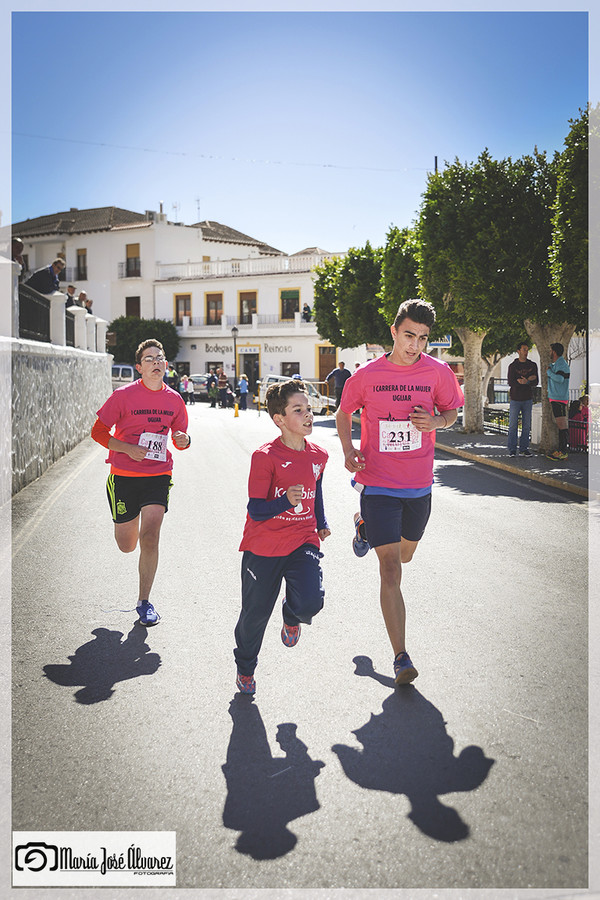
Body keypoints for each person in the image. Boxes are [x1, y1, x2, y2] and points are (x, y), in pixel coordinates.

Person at [336, 299, 464, 687]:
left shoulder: (438, 372)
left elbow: (452, 412)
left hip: (418, 486)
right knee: (390, 568)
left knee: (406, 555)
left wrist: (437, 420)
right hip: (377, 483)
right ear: (394, 332)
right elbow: (344, 413)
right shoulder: (368, 375)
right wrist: (348, 450)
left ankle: (363, 528)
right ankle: (400, 656)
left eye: (423, 338)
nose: (415, 345)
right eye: (409, 335)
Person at [233, 379, 331, 694]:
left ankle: (292, 614)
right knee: (254, 617)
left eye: (308, 408)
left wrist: (321, 521)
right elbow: (256, 510)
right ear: (280, 419)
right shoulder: (265, 457)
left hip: (302, 540)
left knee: (310, 603)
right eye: (298, 410)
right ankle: (245, 668)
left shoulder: (319, 456)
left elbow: (315, 492)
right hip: (263, 547)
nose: (308, 415)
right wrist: (284, 502)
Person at [90, 339, 191, 626]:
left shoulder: (174, 400)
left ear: (166, 365)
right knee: (126, 544)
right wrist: (127, 449)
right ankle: (126, 527)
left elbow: (180, 437)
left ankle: (144, 602)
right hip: (124, 476)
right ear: (139, 367)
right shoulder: (123, 396)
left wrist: (184, 440)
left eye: (160, 358)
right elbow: (98, 432)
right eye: (149, 359)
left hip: (158, 475)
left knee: (151, 536)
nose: (156, 362)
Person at [506, 341, 539, 457]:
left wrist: (527, 381)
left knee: (526, 425)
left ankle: (524, 449)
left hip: (527, 399)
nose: (526, 352)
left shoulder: (532, 365)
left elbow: (536, 381)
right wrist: (524, 382)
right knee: (513, 425)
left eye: (527, 350)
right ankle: (512, 449)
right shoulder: (513, 366)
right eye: (524, 349)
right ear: (518, 351)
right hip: (515, 399)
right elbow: (511, 382)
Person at [546, 342, 570, 461]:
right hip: (555, 398)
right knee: (560, 424)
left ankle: (563, 451)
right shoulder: (557, 364)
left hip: (559, 398)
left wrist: (549, 372)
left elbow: (560, 379)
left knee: (562, 425)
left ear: (554, 352)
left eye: (550, 350)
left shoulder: (562, 364)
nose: (549, 353)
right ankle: (561, 450)